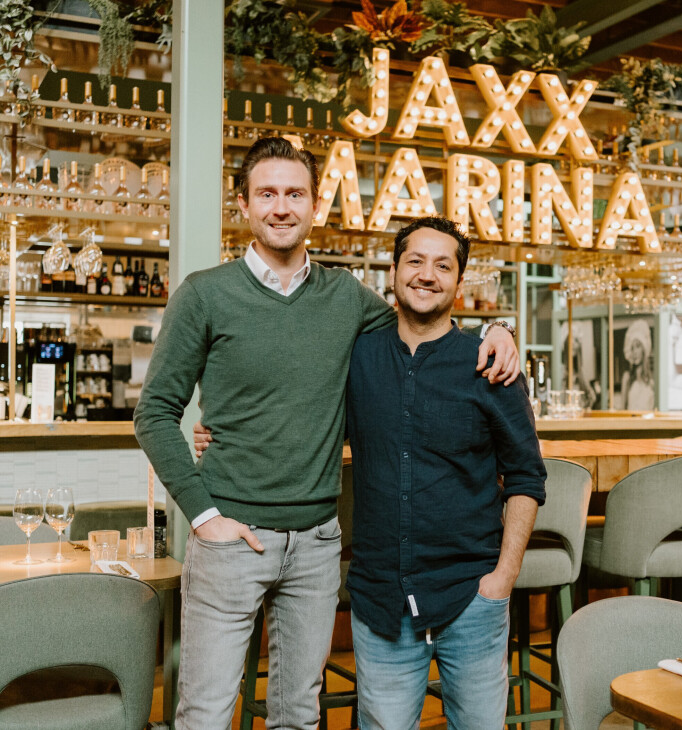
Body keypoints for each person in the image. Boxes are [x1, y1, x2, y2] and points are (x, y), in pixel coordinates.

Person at [133, 136, 518, 729]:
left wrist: (496, 327)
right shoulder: (205, 295)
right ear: (244, 206)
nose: (281, 207)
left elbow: (422, 310)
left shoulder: (345, 297)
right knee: (206, 713)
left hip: (317, 544)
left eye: (295, 193)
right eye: (267, 194)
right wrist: (204, 516)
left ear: (315, 206)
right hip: (231, 539)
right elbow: (154, 411)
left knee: (299, 715)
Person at [345, 217, 546, 728]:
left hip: (471, 596)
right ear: (393, 271)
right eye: (414, 261)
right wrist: (222, 434)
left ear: (459, 281)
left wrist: (503, 579)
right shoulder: (358, 358)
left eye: (443, 265)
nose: (426, 275)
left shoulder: (489, 364)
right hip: (380, 597)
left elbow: (526, 476)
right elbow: (298, 423)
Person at [619, 318, 654, 411]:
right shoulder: (627, 378)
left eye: (638, 346)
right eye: (632, 348)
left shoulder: (652, 380)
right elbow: (622, 410)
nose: (635, 352)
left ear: (644, 349)